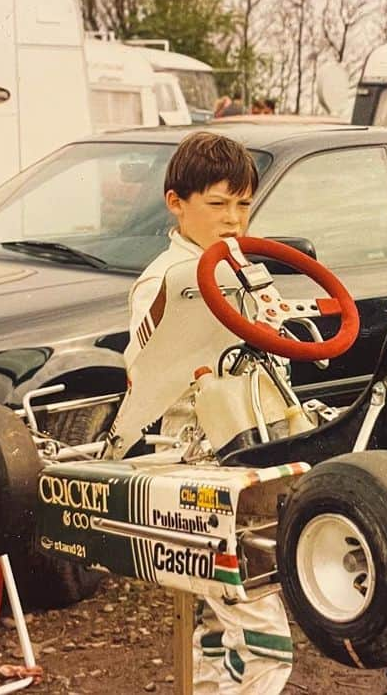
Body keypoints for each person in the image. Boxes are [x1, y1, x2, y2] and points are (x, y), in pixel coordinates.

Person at [117, 131, 294, 694]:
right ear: (177, 202)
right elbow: (149, 373)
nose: (233, 218)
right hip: (202, 458)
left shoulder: (246, 267)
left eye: (243, 204)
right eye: (217, 204)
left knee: (222, 627)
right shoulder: (166, 280)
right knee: (265, 641)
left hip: (258, 445)